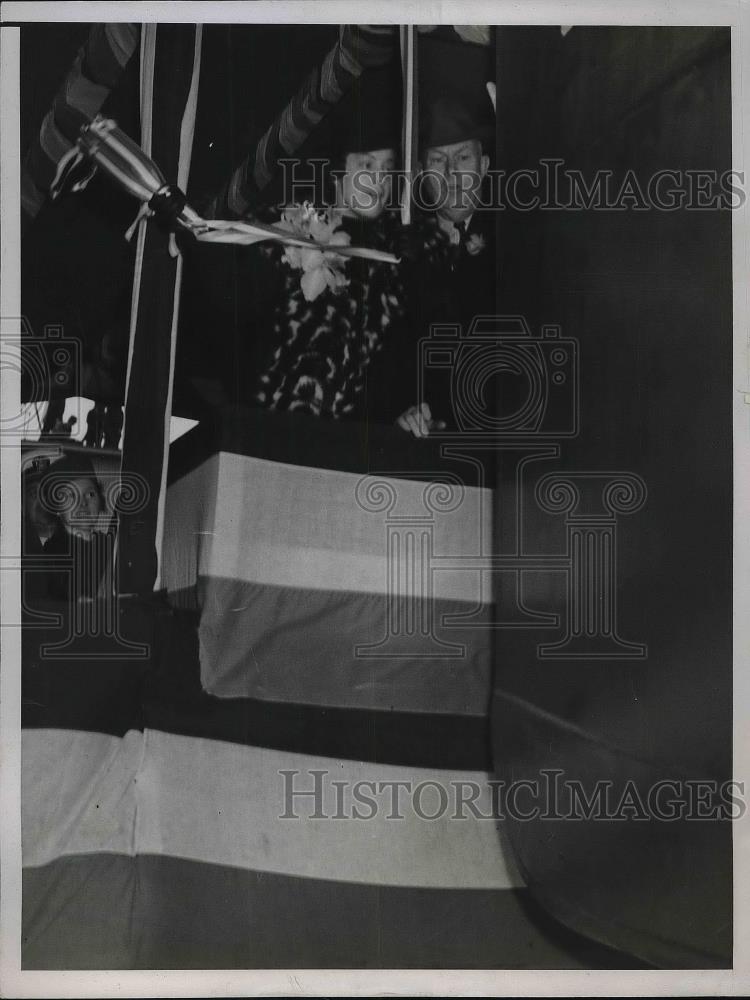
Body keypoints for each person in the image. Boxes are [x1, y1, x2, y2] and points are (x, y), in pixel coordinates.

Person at [247, 62, 411, 424]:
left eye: (387, 170)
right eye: (367, 165)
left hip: (343, 448)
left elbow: (395, 372)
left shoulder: (398, 262)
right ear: (339, 172)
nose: (379, 181)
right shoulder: (284, 228)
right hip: (265, 430)